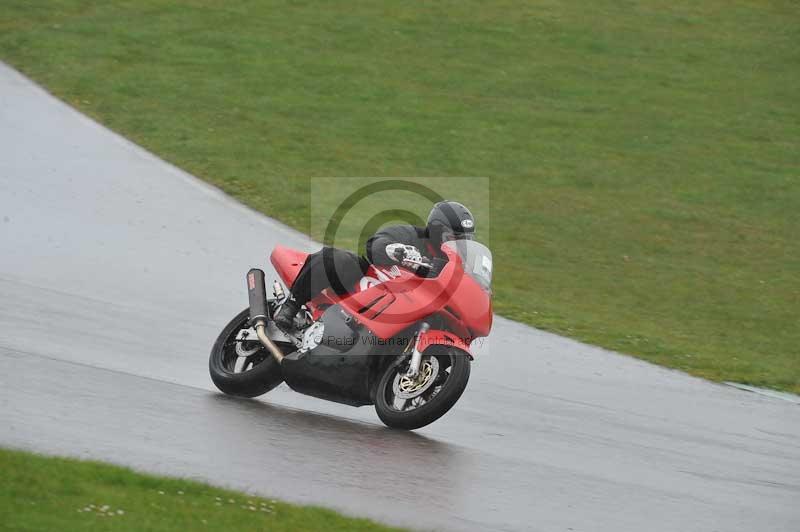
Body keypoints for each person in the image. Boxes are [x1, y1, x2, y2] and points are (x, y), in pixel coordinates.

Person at [273, 200, 476, 331]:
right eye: (452, 238)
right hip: (374, 285)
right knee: (339, 259)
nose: (458, 245)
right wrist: (396, 250)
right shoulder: (411, 235)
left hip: (407, 309)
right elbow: (376, 244)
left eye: (464, 241)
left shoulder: (454, 265)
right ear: (436, 230)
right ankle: (291, 305)